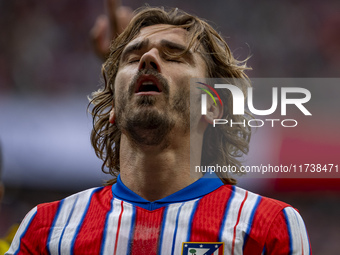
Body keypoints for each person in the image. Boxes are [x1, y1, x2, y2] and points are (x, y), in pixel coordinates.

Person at [6, 4, 311, 255]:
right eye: (134, 56)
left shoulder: (269, 227)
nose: (148, 59)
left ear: (212, 106)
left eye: (174, 55)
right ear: (113, 106)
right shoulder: (45, 229)